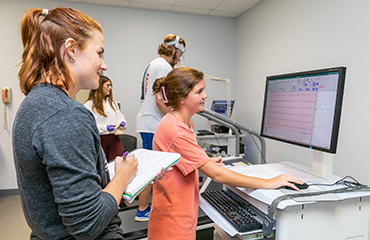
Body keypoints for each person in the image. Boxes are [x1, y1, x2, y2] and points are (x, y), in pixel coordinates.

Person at [13, 7, 139, 239]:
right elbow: (87, 224)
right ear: (71, 50)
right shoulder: (67, 114)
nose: (104, 65)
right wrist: (123, 176)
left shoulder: (34, 104)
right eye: (99, 53)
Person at [148, 67, 305, 240]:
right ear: (181, 98)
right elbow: (217, 175)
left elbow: (179, 160)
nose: (205, 95)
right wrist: (270, 182)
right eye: (199, 91)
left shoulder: (182, 122)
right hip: (173, 223)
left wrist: (204, 161)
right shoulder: (176, 130)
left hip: (178, 212)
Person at [134, 34, 186, 221]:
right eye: (180, 52)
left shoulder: (154, 63)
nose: (180, 57)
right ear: (174, 49)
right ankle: (142, 210)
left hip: (149, 122)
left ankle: (149, 207)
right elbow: (160, 98)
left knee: (156, 168)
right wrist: (176, 118)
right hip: (152, 123)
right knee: (151, 170)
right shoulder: (163, 66)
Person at [84, 75, 127, 162]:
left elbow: (120, 117)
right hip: (99, 140)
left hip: (114, 139)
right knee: (101, 167)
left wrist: (122, 123)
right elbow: (89, 126)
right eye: (108, 85)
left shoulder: (112, 103)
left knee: (118, 163)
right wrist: (105, 128)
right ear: (100, 86)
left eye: (111, 85)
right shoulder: (89, 105)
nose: (110, 88)